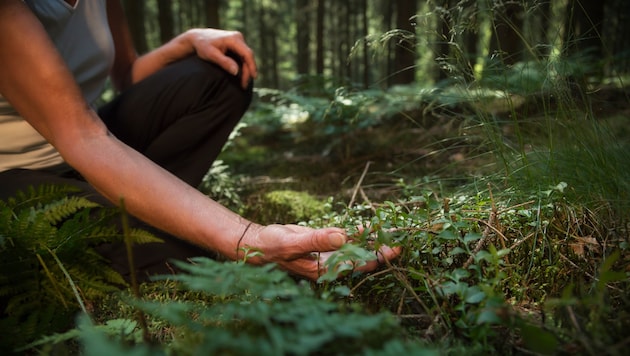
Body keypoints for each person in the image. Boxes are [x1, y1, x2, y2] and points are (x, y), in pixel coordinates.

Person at [0, 0, 399, 282]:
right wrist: (249, 239)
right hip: (20, 174)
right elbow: (82, 135)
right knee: (186, 249)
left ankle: (147, 205)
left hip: (93, 141)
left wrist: (187, 41)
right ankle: (155, 221)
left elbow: (128, 77)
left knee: (223, 73)